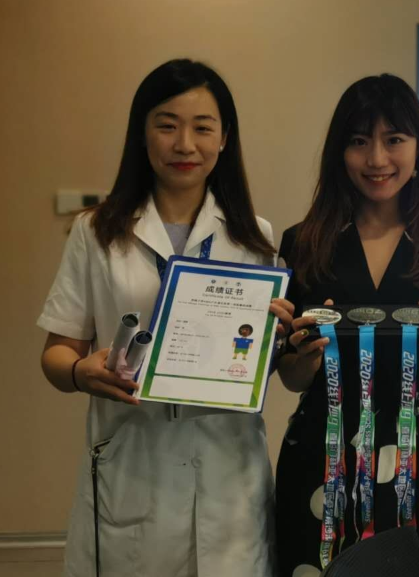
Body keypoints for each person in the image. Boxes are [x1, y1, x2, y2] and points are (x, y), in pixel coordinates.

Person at [38, 59, 294, 577]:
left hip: (229, 475)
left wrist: (277, 338)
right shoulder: (96, 231)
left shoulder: (255, 237)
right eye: (167, 125)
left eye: (203, 128)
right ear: (142, 133)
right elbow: (56, 353)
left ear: (225, 138)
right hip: (133, 464)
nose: (185, 144)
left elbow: (258, 364)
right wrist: (80, 372)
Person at [275, 74, 419, 577]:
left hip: (416, 463)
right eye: (358, 141)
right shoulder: (302, 243)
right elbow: (292, 378)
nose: (376, 159)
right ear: (339, 152)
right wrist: (301, 359)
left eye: (394, 140)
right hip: (320, 459)